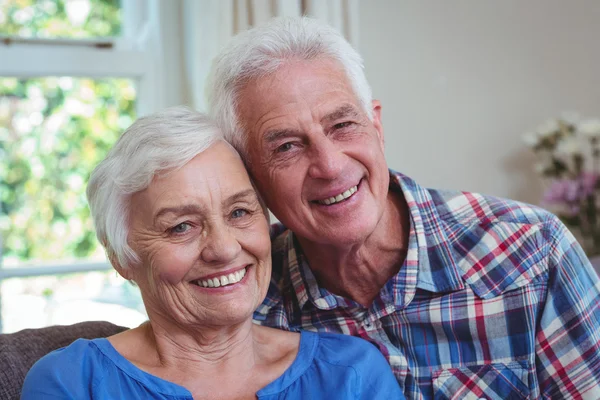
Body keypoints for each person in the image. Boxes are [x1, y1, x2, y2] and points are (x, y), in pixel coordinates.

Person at [206, 16, 600, 399]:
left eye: (342, 125)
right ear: (250, 176)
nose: (330, 165)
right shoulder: (247, 303)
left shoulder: (531, 252)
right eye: (287, 146)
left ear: (376, 127)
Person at [21, 107, 402, 399]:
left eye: (239, 212)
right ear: (123, 258)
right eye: (181, 226)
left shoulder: (351, 374)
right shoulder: (72, 382)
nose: (223, 248)